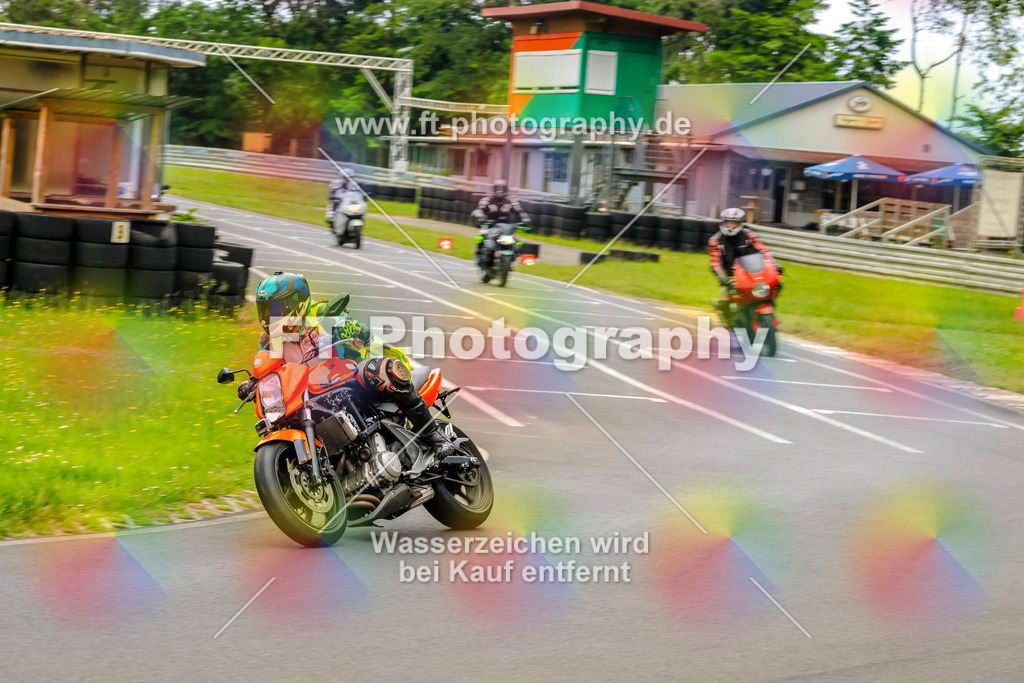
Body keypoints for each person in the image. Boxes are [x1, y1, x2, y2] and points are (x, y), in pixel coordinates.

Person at [245, 271, 454, 461]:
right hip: (312, 394)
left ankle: (433, 435)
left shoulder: (321, 314)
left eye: (275, 309)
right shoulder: (271, 340)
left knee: (377, 370)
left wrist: (351, 329)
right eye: (264, 309)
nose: (268, 316)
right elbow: (266, 368)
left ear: (297, 303)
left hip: (350, 372)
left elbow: (352, 326)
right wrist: (252, 384)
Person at [708, 208, 782, 316]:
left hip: (750, 271)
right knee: (725, 301)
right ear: (723, 223)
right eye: (728, 222)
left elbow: (763, 250)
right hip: (729, 275)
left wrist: (773, 265)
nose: (730, 226)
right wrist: (722, 276)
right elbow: (715, 261)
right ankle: (726, 317)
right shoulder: (715, 241)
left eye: (733, 223)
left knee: (777, 284)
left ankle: (770, 304)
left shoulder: (749, 235)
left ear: (740, 223)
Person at [472, 179, 530, 267]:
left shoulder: (512, 201)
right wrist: (480, 216)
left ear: (506, 189)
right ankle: (479, 257)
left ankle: (512, 257)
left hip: (506, 227)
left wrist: (525, 219)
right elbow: (478, 210)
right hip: (489, 225)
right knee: (480, 237)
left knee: (517, 241)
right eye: (498, 188)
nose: (500, 191)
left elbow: (519, 212)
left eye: (502, 188)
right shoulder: (486, 200)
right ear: (494, 189)